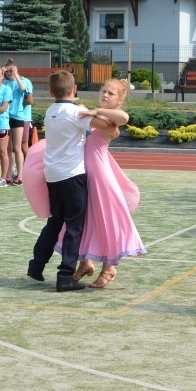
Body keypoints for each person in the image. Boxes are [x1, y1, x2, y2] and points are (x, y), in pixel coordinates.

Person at [26, 70, 112, 292]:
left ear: (51, 91)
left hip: (52, 175)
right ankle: (65, 276)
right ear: (75, 89)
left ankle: (36, 265)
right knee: (74, 227)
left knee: (55, 222)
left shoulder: (50, 112)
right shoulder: (77, 113)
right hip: (73, 175)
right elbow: (105, 126)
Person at [74, 79, 147, 288]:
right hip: (83, 174)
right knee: (83, 220)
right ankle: (85, 263)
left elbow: (124, 117)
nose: (105, 95)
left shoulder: (110, 117)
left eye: (111, 93)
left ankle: (109, 268)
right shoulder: (93, 115)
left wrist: (95, 111)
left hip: (101, 177)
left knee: (106, 222)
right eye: (103, 91)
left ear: (120, 99)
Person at [4, 59, 32, 185]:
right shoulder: (5, 83)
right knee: (8, 148)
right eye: (8, 70)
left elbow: (23, 88)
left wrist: (15, 75)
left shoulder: (23, 81)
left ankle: (20, 175)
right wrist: (1, 71)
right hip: (6, 117)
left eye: (12, 70)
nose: (9, 73)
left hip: (18, 116)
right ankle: (9, 174)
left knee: (17, 147)